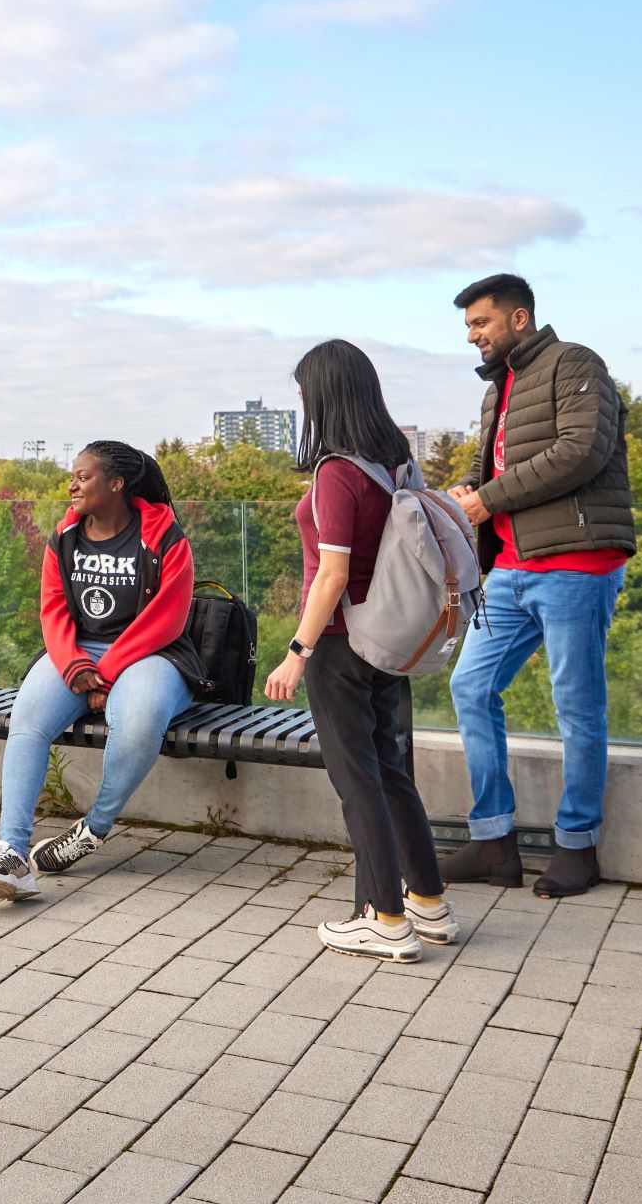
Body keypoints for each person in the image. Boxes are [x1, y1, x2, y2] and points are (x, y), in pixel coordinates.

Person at [442, 274, 635, 899]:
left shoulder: (575, 364)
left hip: (578, 562)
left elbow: (583, 451)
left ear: (518, 318)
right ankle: (494, 841)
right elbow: (488, 463)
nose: (472, 336)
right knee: (470, 685)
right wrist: (466, 493)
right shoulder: (499, 387)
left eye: (480, 323)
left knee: (577, 707)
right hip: (512, 568)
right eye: (469, 326)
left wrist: (488, 498)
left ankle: (578, 846)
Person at [261, 341, 452, 962]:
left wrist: (298, 650)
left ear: (325, 394)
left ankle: (383, 916)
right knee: (391, 772)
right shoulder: (396, 461)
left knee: (357, 780)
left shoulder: (337, 471)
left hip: (343, 644)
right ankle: (428, 902)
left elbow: (332, 575)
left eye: (303, 391)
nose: (300, 400)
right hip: (390, 642)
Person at [0, 441, 196, 904]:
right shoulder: (65, 535)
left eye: (83, 476)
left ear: (115, 483)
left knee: (137, 723)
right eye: (72, 475)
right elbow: (53, 607)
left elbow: (168, 617)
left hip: (151, 653)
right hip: (76, 652)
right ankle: (11, 854)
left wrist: (108, 672)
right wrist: (75, 664)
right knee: (28, 719)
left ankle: (92, 830)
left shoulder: (163, 535)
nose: (71, 484)